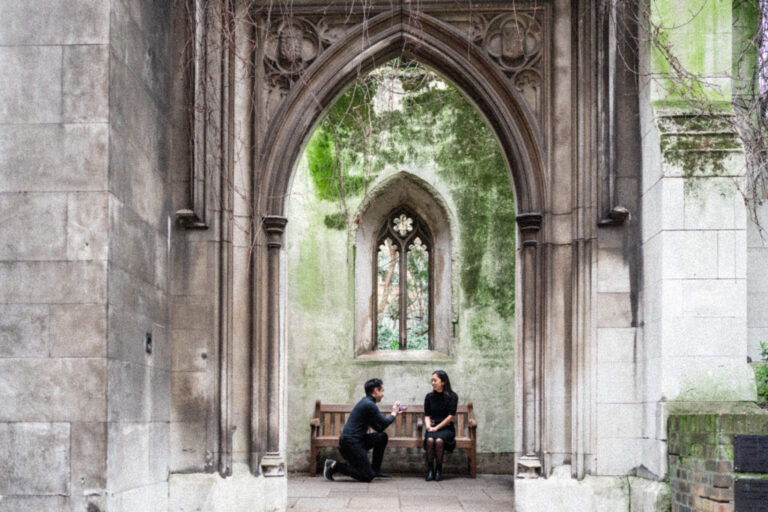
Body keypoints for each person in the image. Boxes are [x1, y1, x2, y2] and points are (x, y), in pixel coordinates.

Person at [323, 378, 404, 482]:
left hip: (357, 441)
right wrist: (394, 413)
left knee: (381, 436)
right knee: (367, 476)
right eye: (382, 391)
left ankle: (376, 470)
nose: (383, 394)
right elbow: (383, 424)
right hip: (350, 444)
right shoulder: (369, 405)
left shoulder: (367, 403)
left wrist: (394, 413)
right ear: (376, 391)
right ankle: (334, 465)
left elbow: (379, 428)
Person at [423, 370, 458, 481]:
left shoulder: (453, 396)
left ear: (443, 382)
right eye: (432, 380)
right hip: (432, 426)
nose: (433, 383)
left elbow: (450, 417)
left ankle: (438, 470)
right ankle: (429, 470)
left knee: (438, 440)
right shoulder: (429, 397)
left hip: (446, 428)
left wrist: (436, 428)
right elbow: (427, 415)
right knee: (429, 440)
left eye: (435, 380)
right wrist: (428, 426)